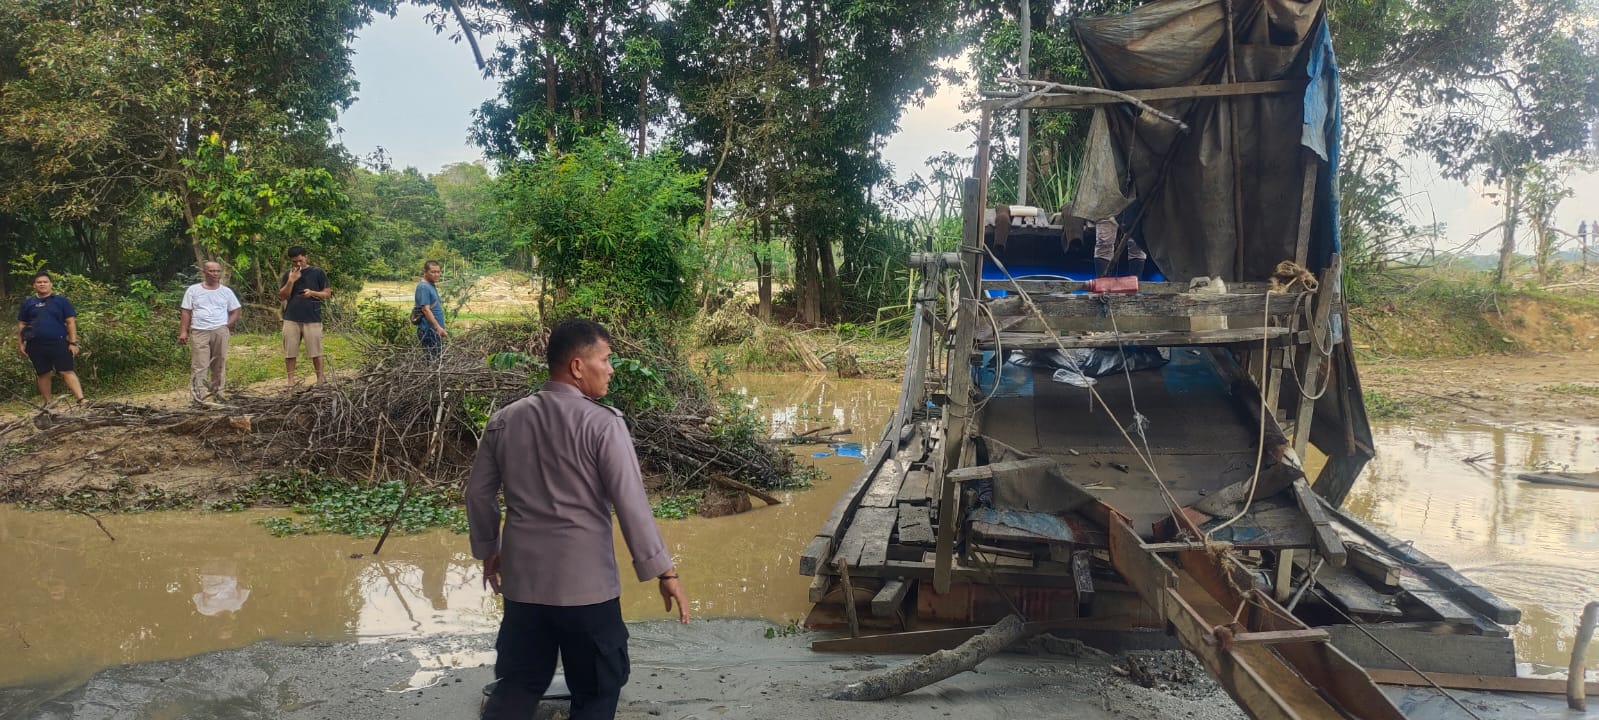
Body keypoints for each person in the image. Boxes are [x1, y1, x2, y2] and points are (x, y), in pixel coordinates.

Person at [467, 319, 690, 720]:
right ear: (576, 366)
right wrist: (665, 572)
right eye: (605, 359)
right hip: (588, 593)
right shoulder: (603, 424)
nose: (611, 369)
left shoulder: (503, 421)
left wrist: (489, 551)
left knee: (519, 684)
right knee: (596, 691)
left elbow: (479, 494)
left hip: (524, 587)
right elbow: (631, 504)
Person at [15, 272, 86, 407]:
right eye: (39, 282)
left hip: (59, 342)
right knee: (43, 373)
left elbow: (70, 322)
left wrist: (73, 342)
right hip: (35, 345)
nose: (42, 284)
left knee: (66, 371)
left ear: (50, 284)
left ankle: (81, 399)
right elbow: (22, 324)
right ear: (34, 285)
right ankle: (48, 403)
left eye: (45, 282)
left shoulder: (61, 301)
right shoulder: (28, 303)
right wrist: (20, 343)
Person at [179, 261, 242, 404]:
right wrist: (184, 331)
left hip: (219, 330)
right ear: (204, 272)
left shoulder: (226, 291)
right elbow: (186, 312)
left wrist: (227, 325)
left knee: (219, 363)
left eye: (218, 271)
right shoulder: (193, 290)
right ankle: (198, 398)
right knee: (199, 365)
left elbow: (235, 310)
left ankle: (218, 394)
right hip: (199, 330)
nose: (215, 274)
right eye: (212, 271)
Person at [277, 246, 331, 387]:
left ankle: (320, 379)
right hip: (291, 317)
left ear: (306, 257)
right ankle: (290, 381)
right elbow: (282, 297)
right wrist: (291, 281)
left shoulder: (318, 272)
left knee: (316, 351)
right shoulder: (288, 274)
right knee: (290, 351)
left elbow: (327, 294)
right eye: (294, 262)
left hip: (312, 317)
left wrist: (312, 293)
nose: (298, 264)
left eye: (300, 260)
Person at [414, 260, 448, 354]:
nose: (436, 274)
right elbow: (425, 309)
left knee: (436, 360)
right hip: (429, 331)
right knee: (433, 362)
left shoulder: (431, 285)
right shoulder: (424, 287)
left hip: (434, 331)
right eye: (433, 272)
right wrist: (438, 328)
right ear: (425, 272)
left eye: (438, 272)